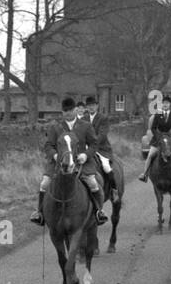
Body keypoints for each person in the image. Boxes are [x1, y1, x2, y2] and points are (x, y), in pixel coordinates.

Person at [31, 95, 84, 226]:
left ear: (75, 110)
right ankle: (40, 213)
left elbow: (93, 144)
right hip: (57, 164)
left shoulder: (85, 125)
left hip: (80, 162)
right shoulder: (55, 127)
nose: (68, 113)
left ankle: (98, 211)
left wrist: (86, 155)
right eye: (65, 111)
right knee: (44, 184)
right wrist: (54, 155)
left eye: (70, 110)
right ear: (62, 112)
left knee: (93, 182)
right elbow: (48, 145)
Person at [138, 93, 171, 183]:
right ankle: (145, 175)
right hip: (158, 139)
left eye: (167, 103)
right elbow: (153, 128)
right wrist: (158, 137)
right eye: (164, 103)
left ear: (170, 105)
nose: (165, 104)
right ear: (161, 104)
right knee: (150, 155)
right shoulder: (157, 115)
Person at [77, 94, 115, 223]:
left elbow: (102, 135)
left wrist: (91, 144)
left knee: (106, 166)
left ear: (97, 106)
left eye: (93, 105)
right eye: (89, 106)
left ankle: (113, 190)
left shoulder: (103, 118)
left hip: (101, 148)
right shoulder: (83, 118)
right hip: (86, 149)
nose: (91, 107)